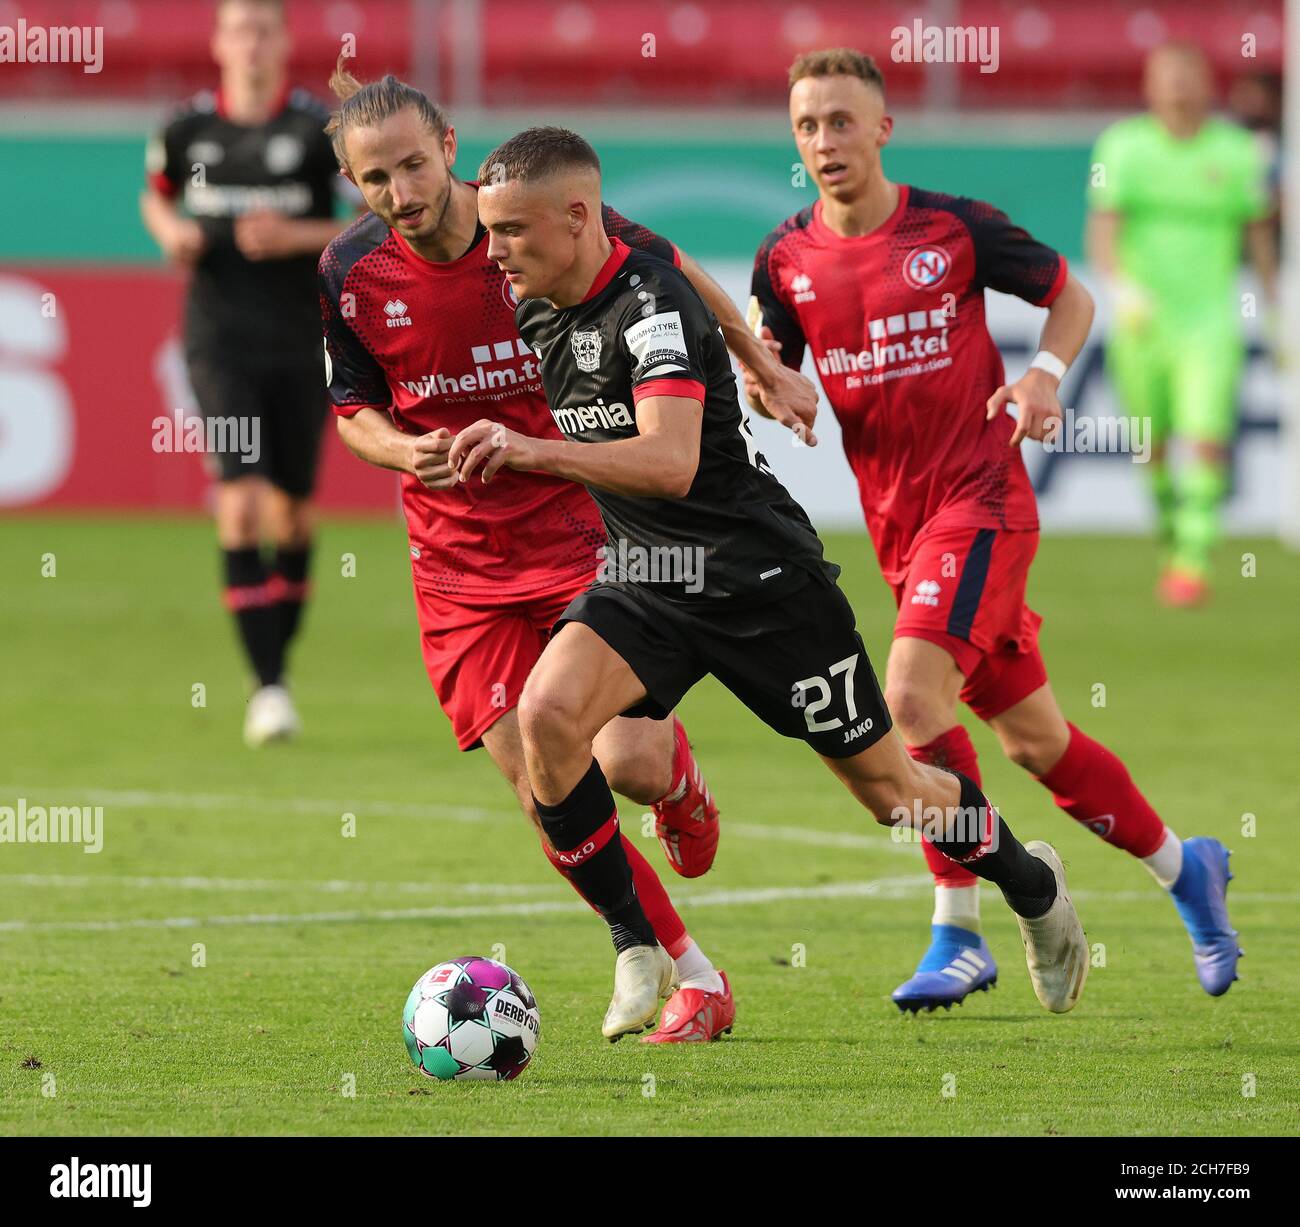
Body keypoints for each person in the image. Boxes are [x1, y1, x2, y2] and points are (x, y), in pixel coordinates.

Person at [451, 125, 1091, 1029]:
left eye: (512, 230)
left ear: (577, 217)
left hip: (760, 583)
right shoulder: (536, 293)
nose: (496, 249)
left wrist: (529, 449)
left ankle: (1031, 883)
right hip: (648, 576)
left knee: (893, 797)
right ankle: (637, 943)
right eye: (490, 230)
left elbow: (672, 462)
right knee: (547, 717)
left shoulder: (651, 306)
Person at [317, 63, 813, 1041]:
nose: (401, 195)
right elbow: (351, 411)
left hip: (586, 526)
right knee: (537, 774)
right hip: (459, 564)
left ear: (449, 147)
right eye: (375, 181)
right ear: (353, 184)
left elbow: (669, 274)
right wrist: (403, 451)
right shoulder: (349, 273)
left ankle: (678, 786)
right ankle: (681, 970)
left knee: (624, 756)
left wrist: (762, 365)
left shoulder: (530, 219)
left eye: (414, 166)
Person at [742, 48, 1240, 1009]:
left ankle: (958, 925)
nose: (824, 141)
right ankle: (1190, 869)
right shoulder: (784, 257)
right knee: (1034, 742)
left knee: (910, 705)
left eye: (842, 121)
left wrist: (1044, 373)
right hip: (900, 527)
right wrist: (777, 395)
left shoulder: (953, 228)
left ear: (882, 129)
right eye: (808, 126)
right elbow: (774, 370)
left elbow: (1072, 294)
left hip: (984, 504)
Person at [141, 0, 353, 745]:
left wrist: (297, 233)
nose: (251, 46)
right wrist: (172, 234)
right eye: (239, 32)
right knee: (239, 502)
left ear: (284, 42)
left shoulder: (318, 131)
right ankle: (268, 688)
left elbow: (371, 220)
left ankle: (276, 664)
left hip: (304, 340)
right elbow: (156, 198)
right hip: (219, 339)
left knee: (293, 515)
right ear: (219, 42)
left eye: (264, 31)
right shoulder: (186, 129)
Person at [1088, 42, 1277, 606]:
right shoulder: (1122, 147)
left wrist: (1274, 310)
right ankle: (1173, 529)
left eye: (1186, 76)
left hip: (1209, 318)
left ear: (1207, 84)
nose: (1176, 88)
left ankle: (1193, 558)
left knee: (1206, 431)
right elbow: (1103, 230)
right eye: (1165, 77)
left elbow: (1258, 235)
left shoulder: (1240, 152)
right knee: (1151, 445)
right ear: (1148, 86)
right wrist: (1123, 291)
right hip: (1144, 320)